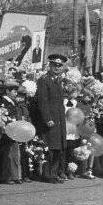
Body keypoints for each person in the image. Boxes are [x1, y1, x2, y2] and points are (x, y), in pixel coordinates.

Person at [35, 54, 67, 184]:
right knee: (50, 147)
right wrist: (47, 118)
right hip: (51, 119)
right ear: (50, 65)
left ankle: (54, 173)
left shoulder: (59, 80)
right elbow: (42, 101)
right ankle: (47, 174)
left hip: (59, 118)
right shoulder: (44, 80)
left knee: (58, 148)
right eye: (54, 65)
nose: (57, 67)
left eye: (59, 66)